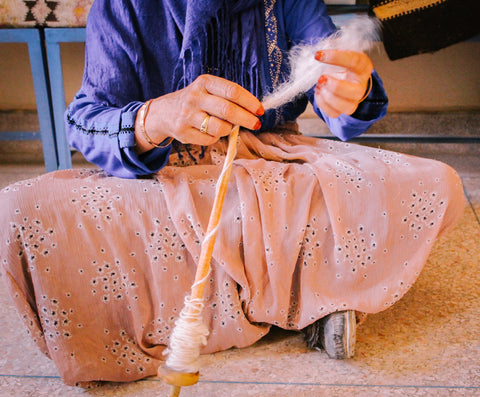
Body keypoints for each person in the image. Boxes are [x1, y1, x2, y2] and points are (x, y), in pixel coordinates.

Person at [0, 0, 464, 387]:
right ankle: (311, 295)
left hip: (272, 168)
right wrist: (157, 118)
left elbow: (334, 87)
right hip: (165, 178)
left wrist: (351, 90)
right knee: (22, 211)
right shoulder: (123, 4)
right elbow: (85, 120)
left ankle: (215, 300)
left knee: (433, 183)